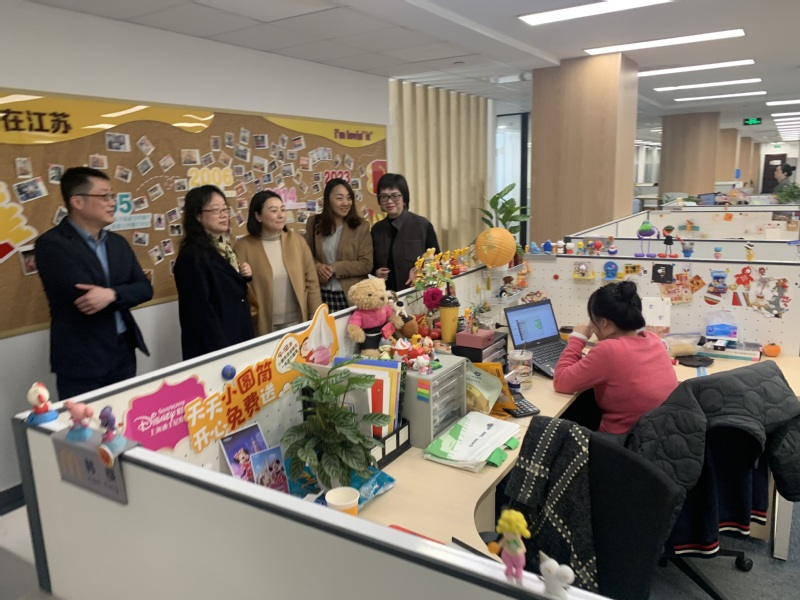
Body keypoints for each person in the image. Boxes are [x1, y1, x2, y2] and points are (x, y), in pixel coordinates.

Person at [35, 166, 152, 400]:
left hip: (123, 350)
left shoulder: (117, 243)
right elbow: (85, 297)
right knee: (87, 422)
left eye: (112, 196)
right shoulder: (52, 245)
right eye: (104, 196)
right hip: (82, 359)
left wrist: (112, 294)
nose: (112, 203)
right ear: (77, 201)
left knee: (125, 416)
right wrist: (121, 292)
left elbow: (144, 289)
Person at [552, 280, 678, 434]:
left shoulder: (608, 350)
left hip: (622, 442)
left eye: (592, 319)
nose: (590, 325)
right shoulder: (652, 338)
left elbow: (561, 382)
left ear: (605, 323)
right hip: (659, 437)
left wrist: (577, 338)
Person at [173, 185, 254, 360]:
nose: (224, 215)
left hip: (237, 335)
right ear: (197, 216)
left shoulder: (223, 248)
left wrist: (245, 276)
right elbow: (201, 313)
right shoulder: (192, 256)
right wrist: (223, 353)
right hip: (217, 347)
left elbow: (226, 286)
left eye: (225, 209)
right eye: (216, 210)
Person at [234, 191, 321, 335]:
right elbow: (238, 289)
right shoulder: (243, 247)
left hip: (297, 321)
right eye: (274, 211)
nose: (281, 215)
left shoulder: (297, 241)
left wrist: (316, 314)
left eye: (282, 209)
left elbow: (311, 280)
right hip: (263, 323)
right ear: (258, 216)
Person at [304, 178, 372, 311]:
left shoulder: (361, 226)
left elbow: (366, 264)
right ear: (328, 200)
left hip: (350, 296)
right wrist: (317, 266)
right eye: (340, 198)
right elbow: (306, 255)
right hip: (320, 295)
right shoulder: (314, 223)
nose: (346, 203)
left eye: (349, 198)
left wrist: (335, 268)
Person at [371, 173, 439, 292]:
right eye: (384, 196)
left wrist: (419, 270)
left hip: (417, 293)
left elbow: (437, 260)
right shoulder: (376, 230)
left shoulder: (422, 225)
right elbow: (371, 263)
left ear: (404, 198)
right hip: (386, 295)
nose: (389, 201)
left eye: (395, 196)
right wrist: (375, 271)